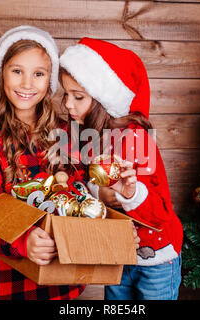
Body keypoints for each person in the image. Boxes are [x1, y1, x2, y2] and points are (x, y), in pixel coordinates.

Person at [59, 38, 184, 300]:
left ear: (104, 99)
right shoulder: (88, 138)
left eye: (78, 96)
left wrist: (131, 193)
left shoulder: (136, 140)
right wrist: (98, 193)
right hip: (118, 253)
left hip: (156, 260)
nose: (68, 104)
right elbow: (85, 184)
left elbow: (160, 213)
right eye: (66, 94)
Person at [0, 25, 84, 300]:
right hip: (4, 282)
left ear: (49, 81)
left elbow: (82, 195)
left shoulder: (67, 133)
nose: (27, 84)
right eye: (17, 71)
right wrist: (23, 241)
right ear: (0, 75)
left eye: (38, 74)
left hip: (59, 280)